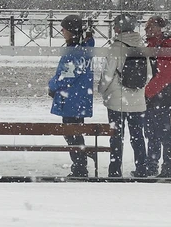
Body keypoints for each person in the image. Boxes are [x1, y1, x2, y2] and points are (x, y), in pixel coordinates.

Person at [98, 14, 149, 178]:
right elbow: (149, 74)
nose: (113, 28)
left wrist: (102, 90)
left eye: (115, 25)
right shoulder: (142, 46)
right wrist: (139, 89)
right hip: (137, 101)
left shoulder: (116, 47)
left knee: (116, 137)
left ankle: (115, 171)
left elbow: (107, 74)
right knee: (137, 136)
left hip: (116, 100)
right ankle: (142, 169)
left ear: (119, 28)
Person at [48, 14, 95, 178]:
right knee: (75, 134)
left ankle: (80, 168)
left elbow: (66, 76)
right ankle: (80, 165)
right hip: (79, 99)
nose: (62, 31)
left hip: (71, 101)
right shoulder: (85, 48)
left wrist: (52, 85)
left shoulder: (74, 52)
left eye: (64, 28)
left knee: (71, 134)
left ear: (71, 31)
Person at [144, 15, 171, 178]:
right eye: (146, 27)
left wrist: (147, 93)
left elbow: (165, 75)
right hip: (156, 96)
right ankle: (153, 165)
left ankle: (167, 167)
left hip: (160, 97)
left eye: (150, 27)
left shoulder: (166, 46)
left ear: (160, 29)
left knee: (163, 133)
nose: (147, 30)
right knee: (152, 132)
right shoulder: (153, 45)